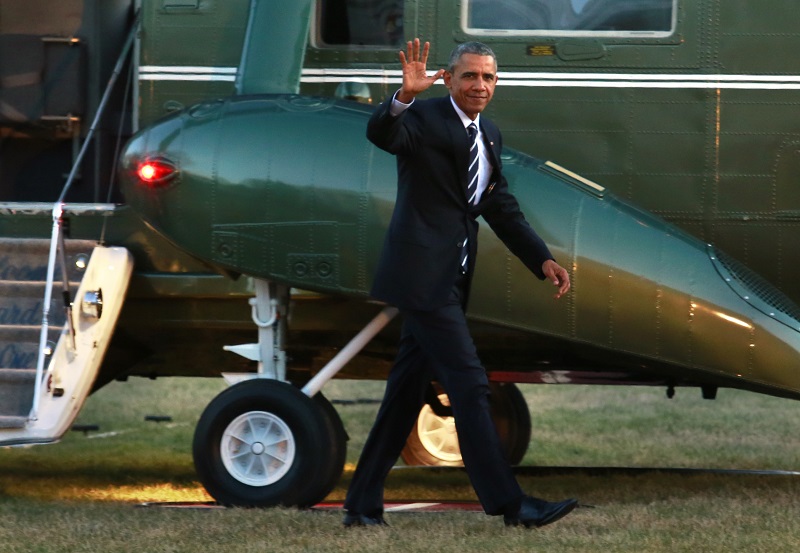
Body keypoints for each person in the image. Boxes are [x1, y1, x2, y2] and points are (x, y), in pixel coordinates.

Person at [343, 38, 577, 528]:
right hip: (421, 278)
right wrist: (403, 98)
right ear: (448, 79)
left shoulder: (487, 132)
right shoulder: (423, 118)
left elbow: (498, 205)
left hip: (451, 277)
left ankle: (361, 507)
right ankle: (512, 505)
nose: (479, 85)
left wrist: (541, 260)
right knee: (469, 384)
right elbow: (383, 134)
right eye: (469, 75)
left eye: (488, 77)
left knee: (404, 396)